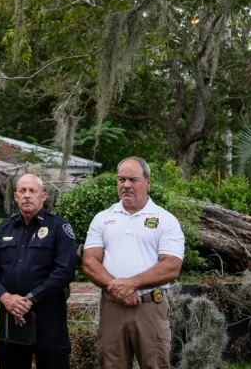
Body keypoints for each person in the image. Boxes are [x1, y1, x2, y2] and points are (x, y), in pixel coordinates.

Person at [83, 157, 185, 369]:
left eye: (133, 179)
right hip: (113, 306)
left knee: (155, 364)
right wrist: (118, 288)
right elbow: (90, 261)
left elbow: (172, 266)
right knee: (111, 364)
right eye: (121, 179)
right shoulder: (103, 218)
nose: (126, 185)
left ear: (148, 182)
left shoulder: (165, 220)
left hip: (150, 308)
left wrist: (132, 284)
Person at [0, 174, 77, 369]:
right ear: (15, 196)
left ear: (43, 196)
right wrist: (6, 297)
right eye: (22, 191)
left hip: (49, 318)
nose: (27, 195)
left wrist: (30, 299)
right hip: (12, 316)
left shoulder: (59, 227)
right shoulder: (4, 229)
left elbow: (64, 271)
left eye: (32, 191)